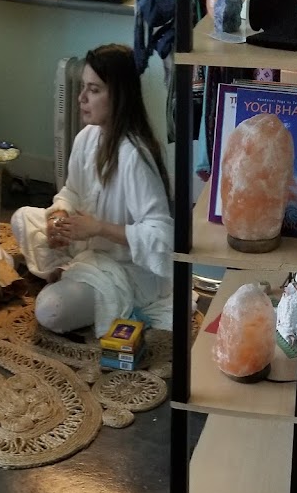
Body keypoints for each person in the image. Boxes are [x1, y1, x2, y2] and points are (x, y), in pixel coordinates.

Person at [10, 43, 174, 336]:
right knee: (22, 217)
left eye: (94, 90)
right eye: (83, 87)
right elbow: (72, 191)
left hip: (123, 269)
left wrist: (98, 228)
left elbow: (162, 237)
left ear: (119, 96)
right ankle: (68, 274)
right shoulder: (87, 137)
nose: (81, 98)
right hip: (85, 250)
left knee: (51, 309)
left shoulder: (134, 155)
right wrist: (59, 214)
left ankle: (67, 280)